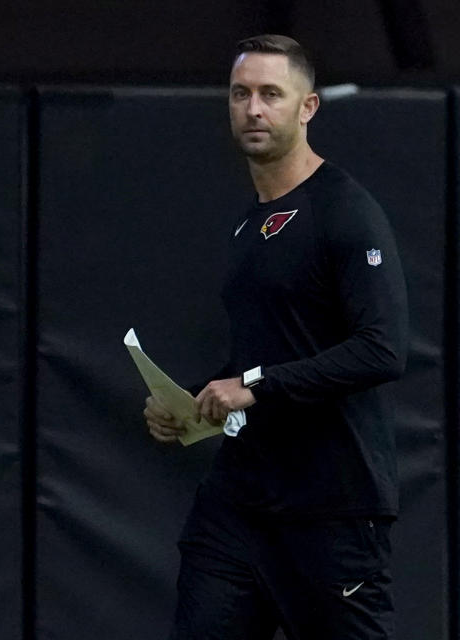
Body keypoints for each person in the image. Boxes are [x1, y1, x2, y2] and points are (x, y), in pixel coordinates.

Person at [143, 34, 409, 640]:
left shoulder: (345, 211)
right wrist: (189, 403)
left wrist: (256, 385)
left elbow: (383, 347)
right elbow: (262, 355)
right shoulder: (251, 221)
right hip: (239, 505)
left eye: (270, 94)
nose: (254, 109)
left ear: (307, 107)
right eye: (241, 94)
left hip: (332, 509)